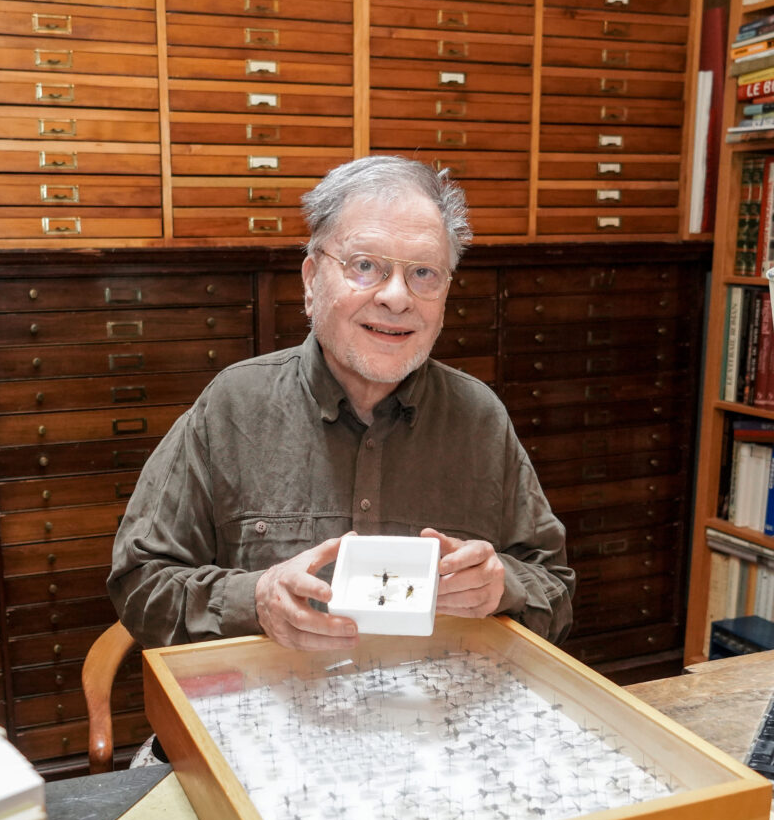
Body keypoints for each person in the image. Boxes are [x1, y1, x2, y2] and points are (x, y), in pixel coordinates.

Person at [108, 156, 575, 664]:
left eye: (423, 273)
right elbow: (139, 583)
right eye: (365, 266)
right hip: (274, 713)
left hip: (430, 714)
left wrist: (501, 587)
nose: (397, 298)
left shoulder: (479, 417)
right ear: (311, 281)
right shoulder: (233, 406)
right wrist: (255, 599)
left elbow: (556, 588)